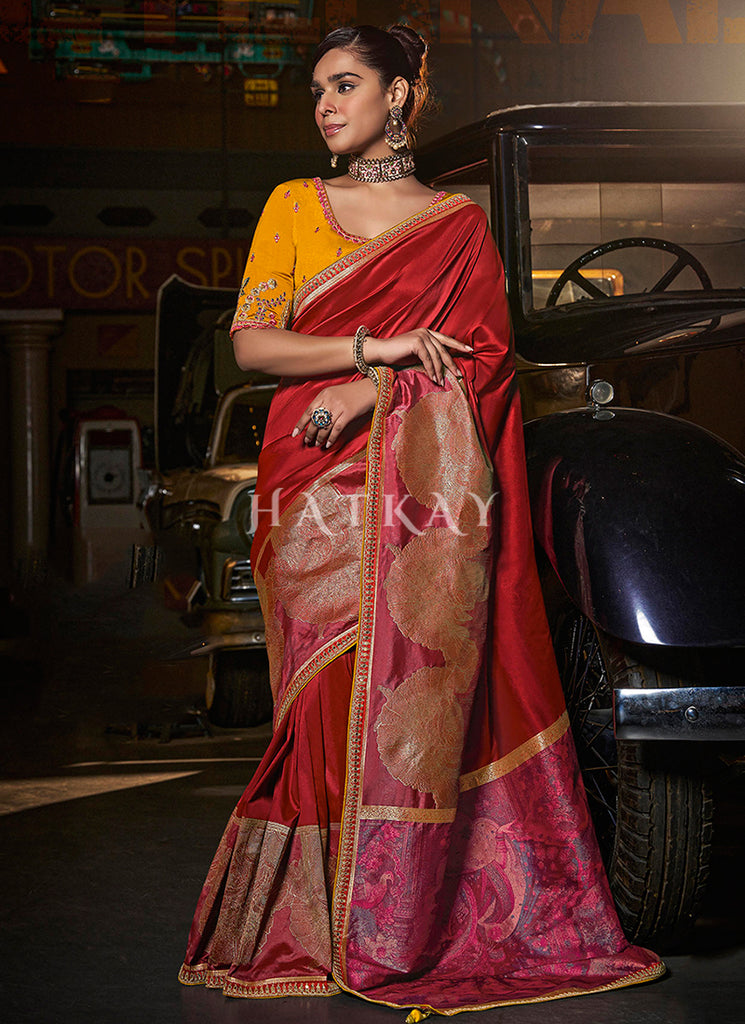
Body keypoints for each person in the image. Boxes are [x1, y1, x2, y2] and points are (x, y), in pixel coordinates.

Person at [178, 24, 664, 1016]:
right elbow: (253, 348)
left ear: (397, 95)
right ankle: (311, 927)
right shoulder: (293, 206)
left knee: (419, 705)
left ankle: (402, 921)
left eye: (345, 85)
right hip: (312, 478)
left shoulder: (456, 227)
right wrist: (378, 346)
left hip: (423, 491)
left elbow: (484, 363)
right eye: (315, 88)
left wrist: (377, 384)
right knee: (320, 706)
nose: (323, 104)